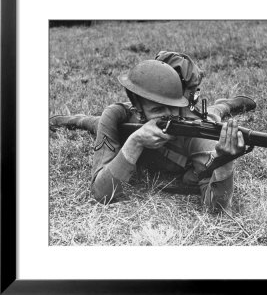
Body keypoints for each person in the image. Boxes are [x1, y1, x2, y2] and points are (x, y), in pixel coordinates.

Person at [50, 52, 256, 213]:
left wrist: (225, 164)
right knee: (93, 123)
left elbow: (217, 210)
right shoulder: (119, 116)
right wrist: (135, 142)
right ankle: (75, 118)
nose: (168, 116)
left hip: (205, 118)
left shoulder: (197, 134)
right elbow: (101, 193)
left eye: (172, 107)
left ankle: (226, 104)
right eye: (157, 109)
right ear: (138, 107)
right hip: (125, 123)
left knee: (213, 113)